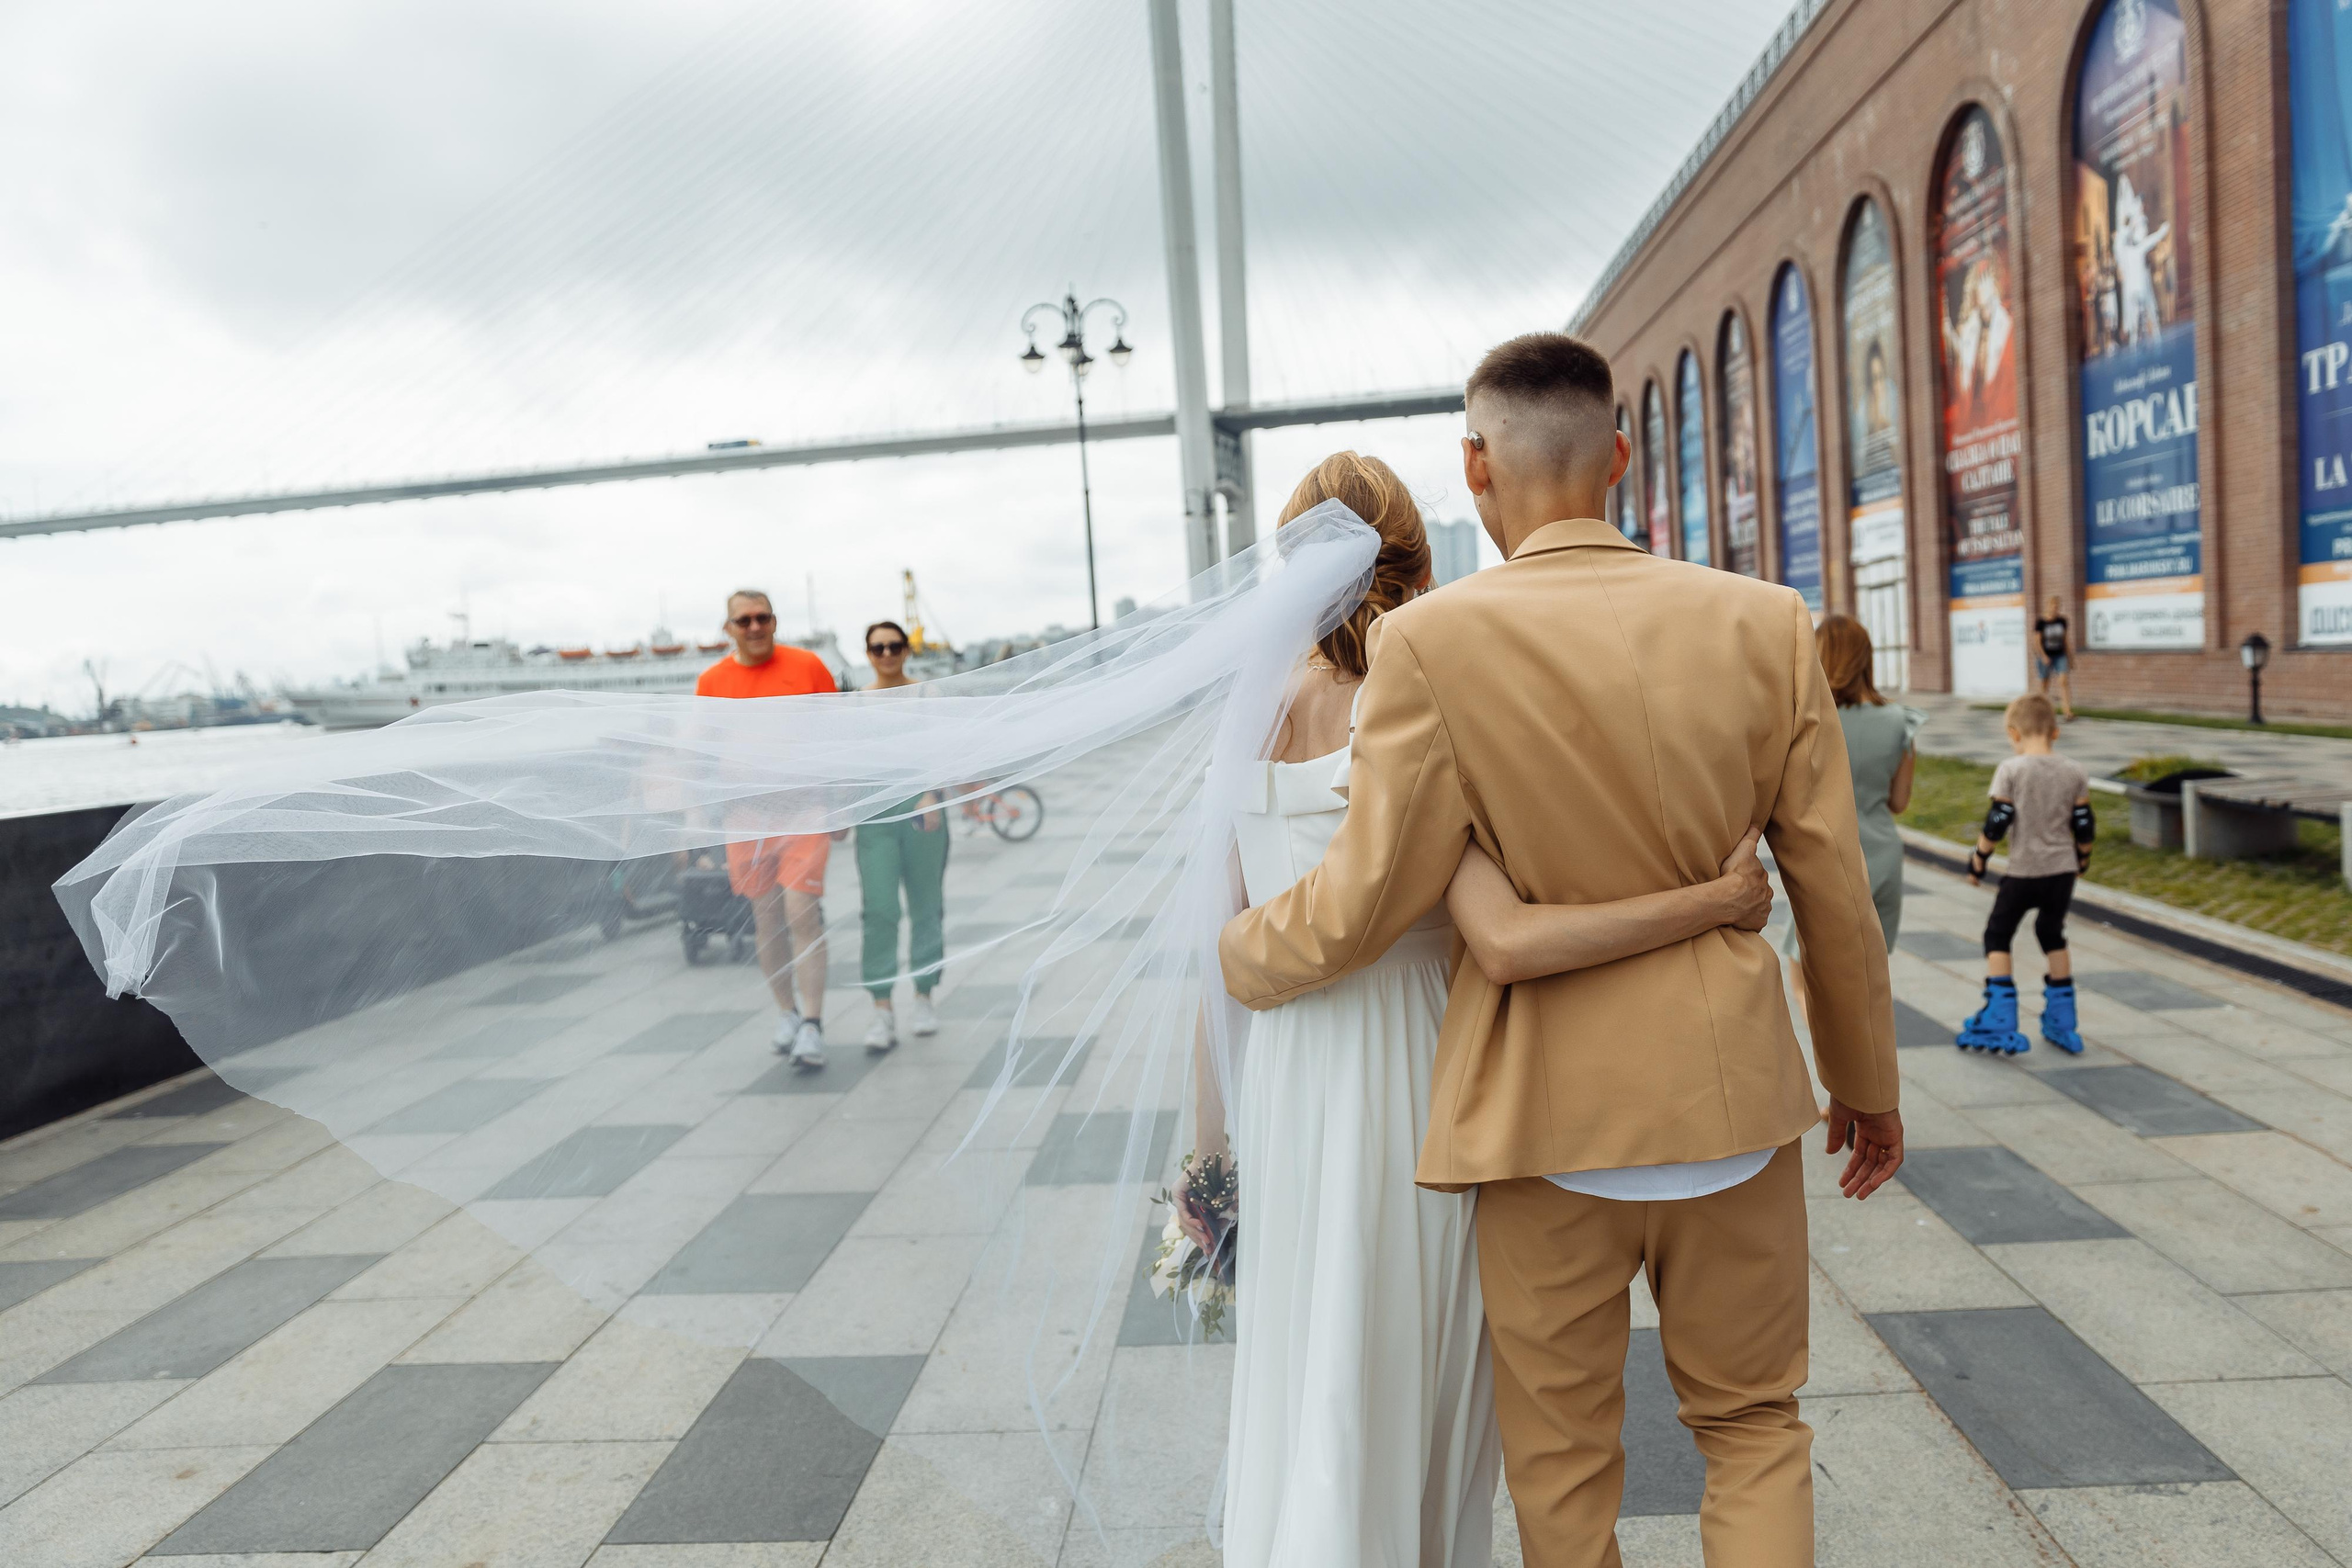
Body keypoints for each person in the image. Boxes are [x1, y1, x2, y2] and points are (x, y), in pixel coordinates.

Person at [1221, 333, 1901, 1568]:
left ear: (1474, 466)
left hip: (1542, 1122)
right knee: (1752, 1424)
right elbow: (1834, 889)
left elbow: (1369, 894)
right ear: (1622, 456)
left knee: (1564, 1465)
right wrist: (1866, 1083)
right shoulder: (1766, 620)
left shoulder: (1436, 644)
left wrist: (1238, 957)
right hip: (1732, 1098)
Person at [695, 588, 840, 1067]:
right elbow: (704, 759)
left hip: (805, 811)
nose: (754, 627)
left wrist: (841, 807)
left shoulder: (808, 667)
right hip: (747, 817)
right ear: (728, 628)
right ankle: (787, 1013)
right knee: (766, 919)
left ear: (775, 622)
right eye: (744, 620)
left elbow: (843, 740)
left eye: (763, 618)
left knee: (803, 912)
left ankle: (814, 1023)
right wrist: (707, 822)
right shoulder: (712, 681)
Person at [1955, 693, 2095, 1055]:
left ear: (2014, 734)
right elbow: (2084, 823)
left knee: (1997, 934)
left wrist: (1979, 860)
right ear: (2055, 732)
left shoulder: (2012, 769)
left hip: (2024, 872)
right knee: (2051, 932)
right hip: (2061, 871)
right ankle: (2063, 1019)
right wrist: (2082, 860)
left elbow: (1998, 820)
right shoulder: (2074, 770)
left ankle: (2000, 1016)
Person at [854, 619, 946, 1053]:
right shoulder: (856, 703)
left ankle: (925, 995)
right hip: (875, 819)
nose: (887, 654)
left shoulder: (927, 694)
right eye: (878, 648)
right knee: (880, 911)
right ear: (868, 654)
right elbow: (844, 764)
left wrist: (931, 795)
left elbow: (944, 750)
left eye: (894, 646)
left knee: (927, 905)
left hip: (919, 810)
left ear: (907, 650)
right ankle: (881, 1008)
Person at [2034, 594, 2075, 719]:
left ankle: (2067, 711)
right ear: (2048, 606)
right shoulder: (2041, 622)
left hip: (2060, 655)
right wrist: (2043, 656)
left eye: (2058, 607)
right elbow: (2036, 641)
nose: (2055, 609)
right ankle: (2040, 710)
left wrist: (2070, 658)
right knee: (2045, 685)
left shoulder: (2062, 621)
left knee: (2064, 681)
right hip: (2045, 656)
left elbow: (2065, 640)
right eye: (2053, 606)